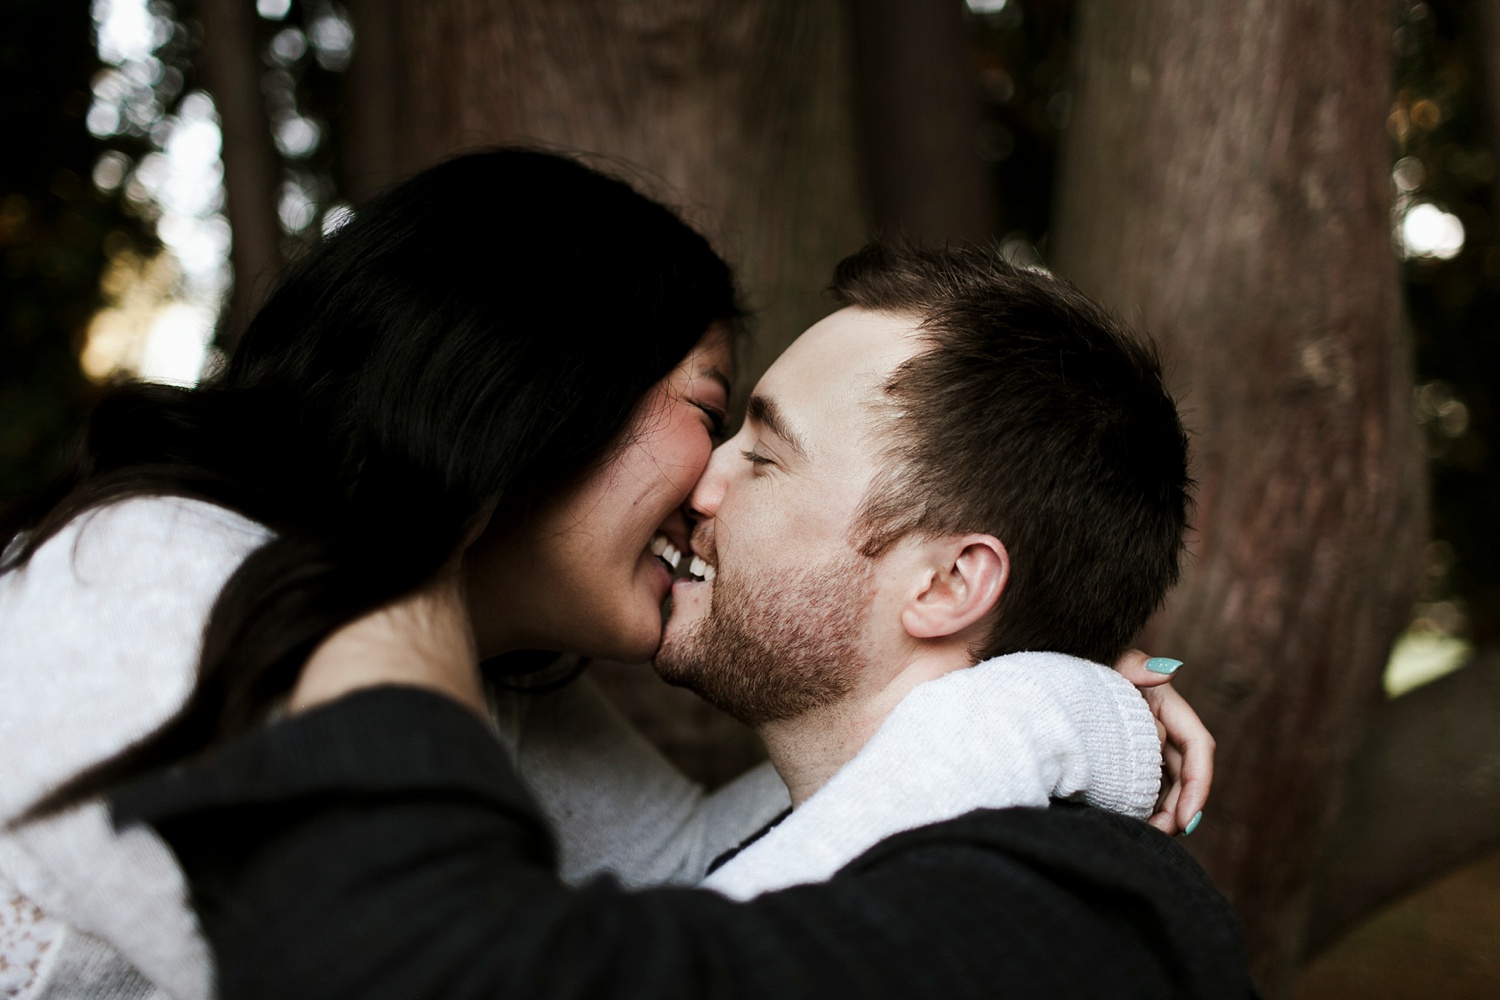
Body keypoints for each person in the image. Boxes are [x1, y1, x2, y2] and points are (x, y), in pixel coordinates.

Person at [0, 152, 1208, 999]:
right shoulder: (164, 578)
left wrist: (1026, 679)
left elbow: (704, 873)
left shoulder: (496, 677)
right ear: (535, 393)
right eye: (707, 413)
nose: (707, 483)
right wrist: (1043, 713)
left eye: (755, 440)